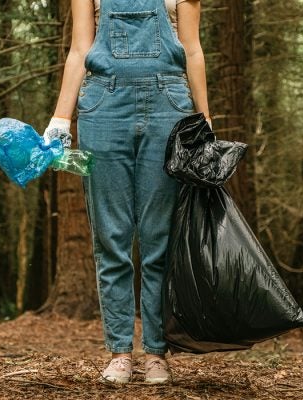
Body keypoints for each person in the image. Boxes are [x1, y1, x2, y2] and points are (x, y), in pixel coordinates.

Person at [43, 0, 210, 384]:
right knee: (111, 236)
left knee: (160, 239)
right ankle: (120, 351)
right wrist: (60, 117)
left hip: (170, 107)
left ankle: (155, 354)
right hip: (103, 106)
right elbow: (79, 50)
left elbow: (193, 50)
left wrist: (204, 118)